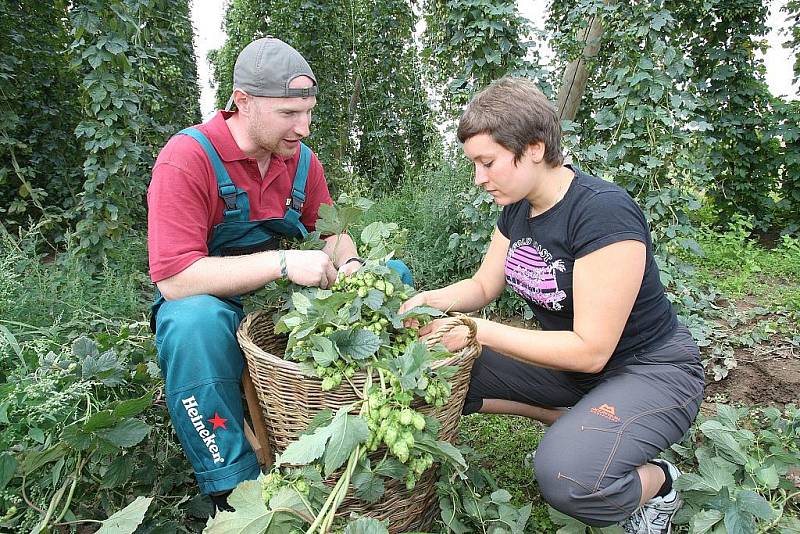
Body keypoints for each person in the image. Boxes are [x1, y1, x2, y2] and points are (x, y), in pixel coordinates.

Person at [400, 77, 704, 533]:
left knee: (567, 477)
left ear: (535, 148)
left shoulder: (602, 212)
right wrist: (429, 302)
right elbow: (485, 285)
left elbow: (591, 349)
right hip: (577, 374)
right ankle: (569, 422)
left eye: (488, 162)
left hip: (649, 369)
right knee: (440, 366)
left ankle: (659, 482)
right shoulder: (517, 209)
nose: (479, 179)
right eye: (475, 165)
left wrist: (476, 329)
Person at [147, 37, 363, 511]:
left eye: (308, 112)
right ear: (243, 102)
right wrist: (283, 263)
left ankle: (357, 436)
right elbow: (173, 279)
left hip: (276, 299)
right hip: (212, 298)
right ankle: (234, 486)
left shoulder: (301, 162)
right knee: (192, 324)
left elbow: (332, 230)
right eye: (289, 113)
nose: (303, 127)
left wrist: (350, 264)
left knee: (392, 274)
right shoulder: (188, 158)